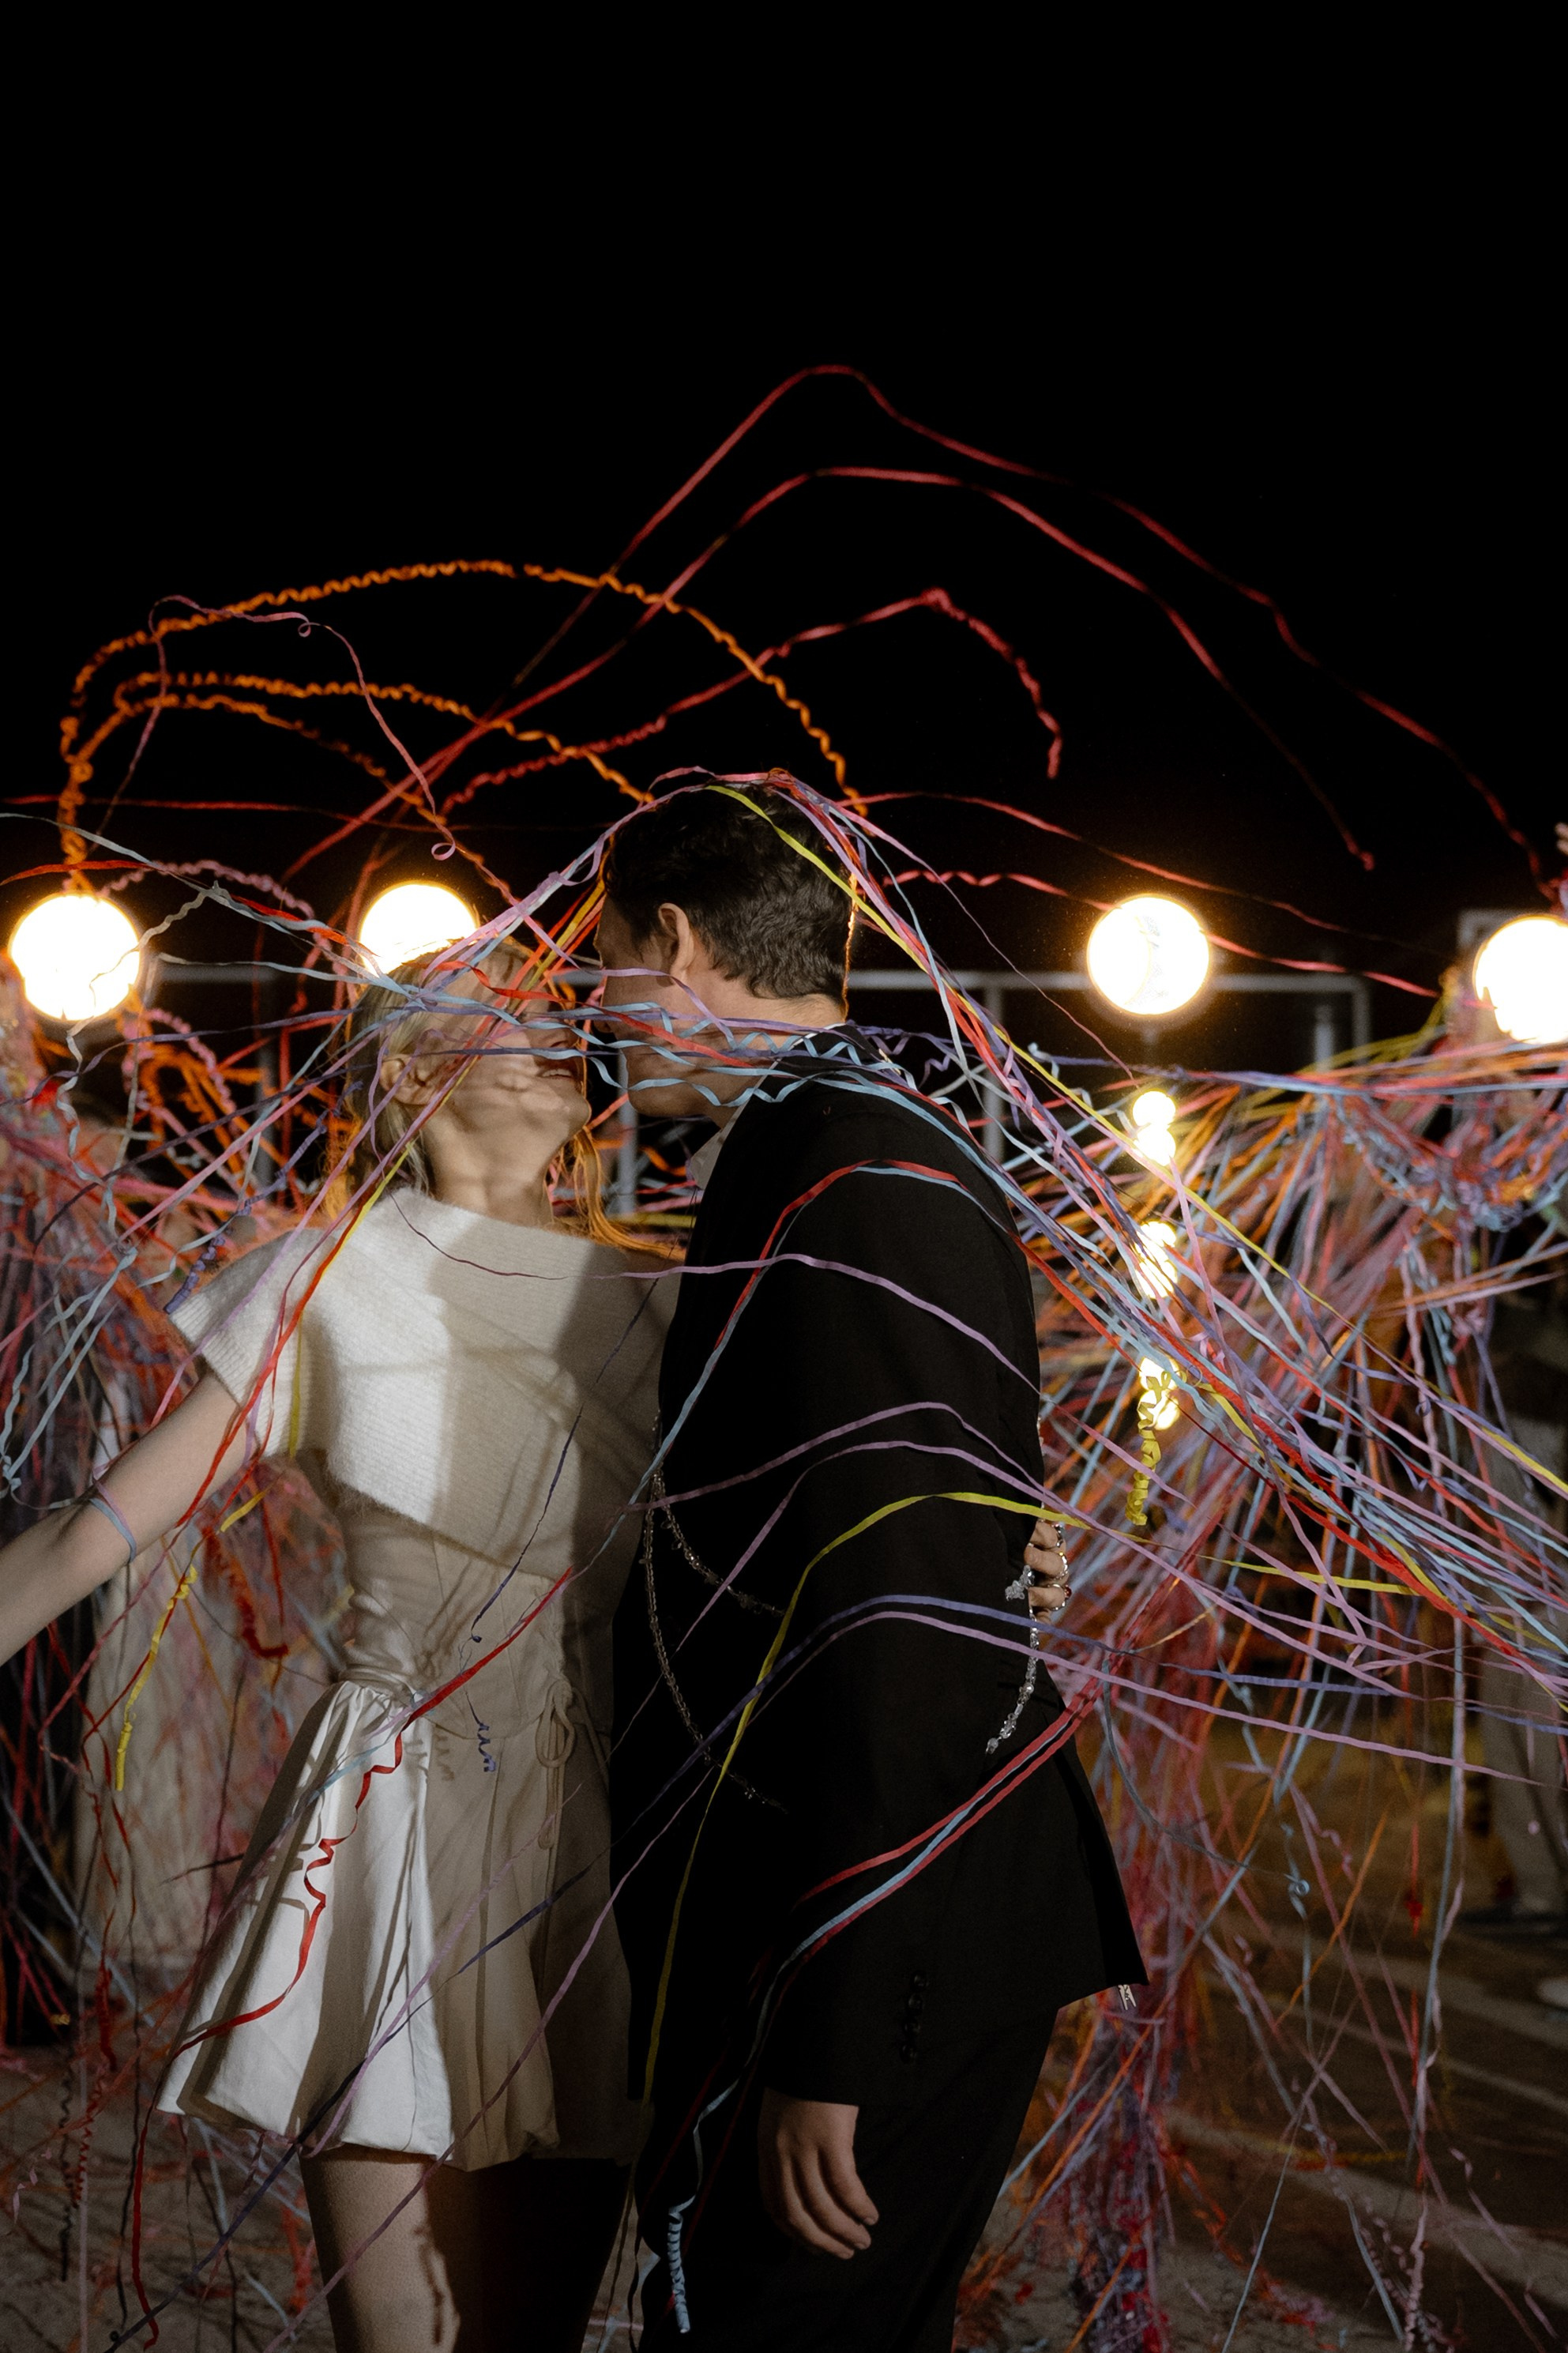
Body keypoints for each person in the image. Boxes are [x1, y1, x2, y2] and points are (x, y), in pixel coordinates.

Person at [0, 945, 671, 2353]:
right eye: (516, 1024)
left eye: (561, 1021)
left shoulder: (665, 1298)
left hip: (594, 1827)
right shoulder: (320, 1279)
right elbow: (88, 1536)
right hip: (386, 1821)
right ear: (417, 1073)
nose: (562, 1039)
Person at [600, 777, 1145, 2351]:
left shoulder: (850, 1175)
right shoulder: (830, 1140)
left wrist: (828, 2034)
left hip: (868, 1941)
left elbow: (903, 1614)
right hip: (849, 1911)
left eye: (605, 959)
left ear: (681, 944)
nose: (594, 1010)